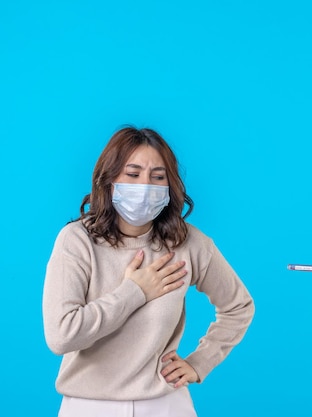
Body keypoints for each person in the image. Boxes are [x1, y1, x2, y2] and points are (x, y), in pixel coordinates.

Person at [43, 127, 255, 416]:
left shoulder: (189, 243)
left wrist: (199, 362)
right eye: (132, 174)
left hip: (166, 405)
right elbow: (61, 336)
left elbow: (238, 306)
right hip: (88, 406)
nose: (145, 186)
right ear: (110, 179)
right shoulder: (77, 240)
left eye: (157, 177)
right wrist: (135, 292)